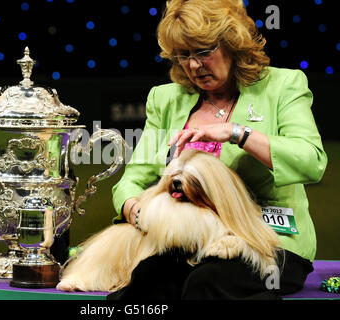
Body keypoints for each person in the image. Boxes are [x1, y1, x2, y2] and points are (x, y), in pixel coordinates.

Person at [110, 0, 327, 299]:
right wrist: (138, 215)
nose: (194, 65)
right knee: (148, 278)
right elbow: (130, 183)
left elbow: (311, 161)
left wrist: (237, 133)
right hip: (193, 243)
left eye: (203, 51)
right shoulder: (165, 99)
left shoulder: (283, 85)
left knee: (207, 282)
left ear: (233, 44)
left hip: (270, 242)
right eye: (183, 55)